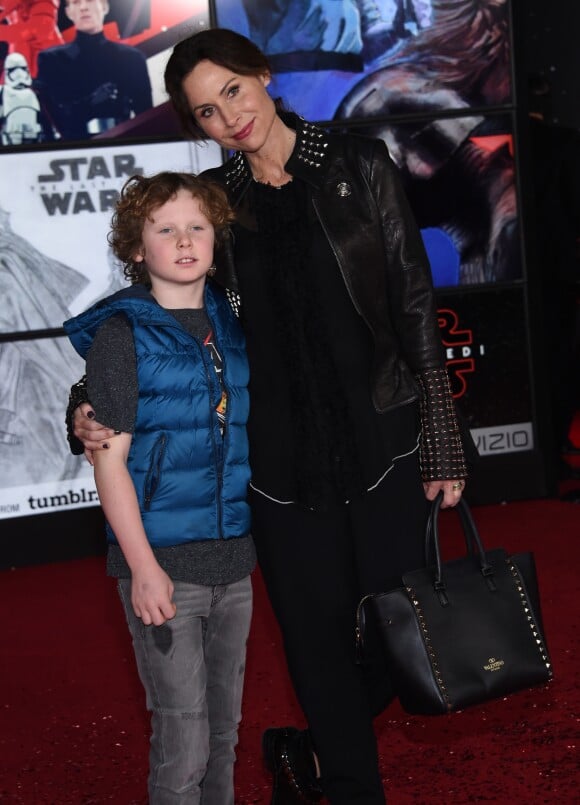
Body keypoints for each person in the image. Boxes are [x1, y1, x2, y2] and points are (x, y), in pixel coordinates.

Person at [68, 28, 473, 804]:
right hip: (280, 465)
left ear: (261, 75)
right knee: (316, 641)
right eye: (206, 113)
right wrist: (86, 401)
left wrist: (443, 435)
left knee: (397, 632)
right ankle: (353, 785)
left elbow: (414, 300)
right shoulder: (225, 209)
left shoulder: (358, 164)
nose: (229, 117)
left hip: (383, 442)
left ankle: (311, 749)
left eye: (232, 90)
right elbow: (163, 311)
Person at [63, 171, 255, 804]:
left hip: (235, 564)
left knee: (225, 735)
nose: (183, 241)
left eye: (197, 227)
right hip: (164, 571)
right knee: (184, 743)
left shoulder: (232, 318)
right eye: (165, 229)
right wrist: (142, 569)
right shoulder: (123, 334)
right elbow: (108, 463)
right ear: (136, 249)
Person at [35, 0, 152, 140]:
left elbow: (146, 118)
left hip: (123, 147)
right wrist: (91, 102)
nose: (84, 7)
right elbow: (52, 118)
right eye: (76, 2)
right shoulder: (51, 60)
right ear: (68, 12)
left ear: (104, 7)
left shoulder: (132, 58)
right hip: (70, 151)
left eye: (90, 0)